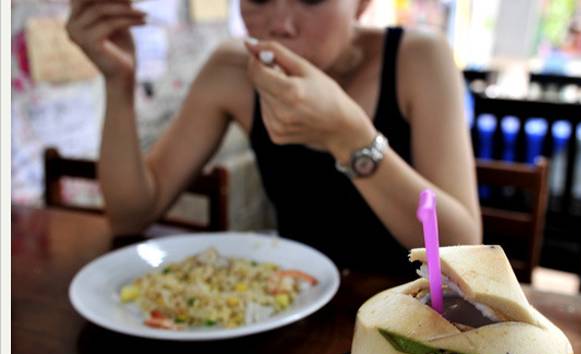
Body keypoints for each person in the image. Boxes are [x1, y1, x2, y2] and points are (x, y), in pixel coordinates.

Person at [66, 0, 481, 278]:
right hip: (294, 311)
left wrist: (349, 138)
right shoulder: (232, 69)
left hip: (413, 320)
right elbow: (131, 214)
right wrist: (118, 81)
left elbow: (460, 247)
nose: (281, 23)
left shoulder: (418, 57)